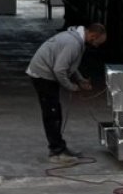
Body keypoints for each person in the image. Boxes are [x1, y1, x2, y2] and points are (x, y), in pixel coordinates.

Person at [25, 23, 107, 158]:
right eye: (97, 43)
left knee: (55, 112)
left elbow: (70, 64)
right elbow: (59, 69)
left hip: (46, 72)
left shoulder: (77, 40)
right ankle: (56, 150)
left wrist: (80, 80)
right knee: (52, 114)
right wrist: (72, 87)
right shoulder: (73, 43)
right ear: (93, 36)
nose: (96, 46)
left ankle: (59, 147)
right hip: (42, 74)